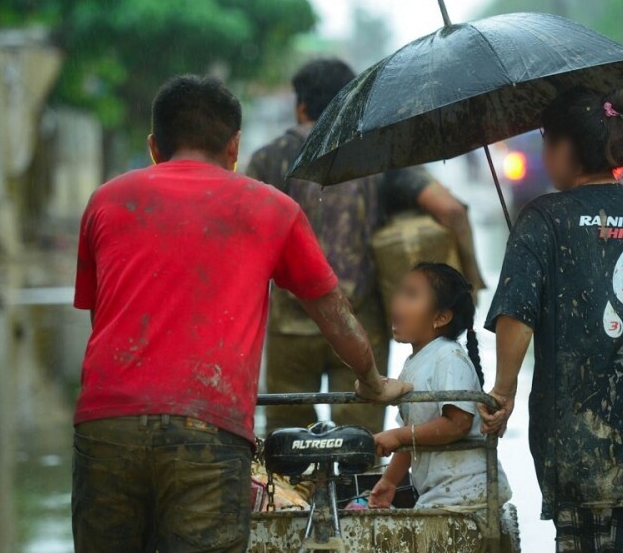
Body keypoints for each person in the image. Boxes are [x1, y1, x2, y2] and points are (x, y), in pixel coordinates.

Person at [71, 74, 409, 553]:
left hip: (105, 422)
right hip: (208, 428)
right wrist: (372, 379)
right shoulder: (271, 207)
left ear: (153, 146)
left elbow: (102, 320)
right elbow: (337, 317)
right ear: (234, 146)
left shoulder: (105, 202)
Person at [478, 88, 623, 552]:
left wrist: (503, 393)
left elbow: (516, 315)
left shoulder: (542, 218)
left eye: (546, 142)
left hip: (583, 447)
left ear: (565, 149)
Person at [247, 58, 484, 434]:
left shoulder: (266, 161)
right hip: (359, 328)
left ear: (301, 107)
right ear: (350, 106)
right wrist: (472, 280)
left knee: (287, 452)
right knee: (362, 448)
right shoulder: (377, 159)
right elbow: (452, 210)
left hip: (290, 327)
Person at [368, 263, 511, 510]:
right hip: (441, 494)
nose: (397, 301)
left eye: (411, 295)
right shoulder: (414, 363)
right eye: (400, 292)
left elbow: (458, 424)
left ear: (440, 317)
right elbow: (413, 435)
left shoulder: (448, 357)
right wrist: (389, 481)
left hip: (465, 492)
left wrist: (397, 435)